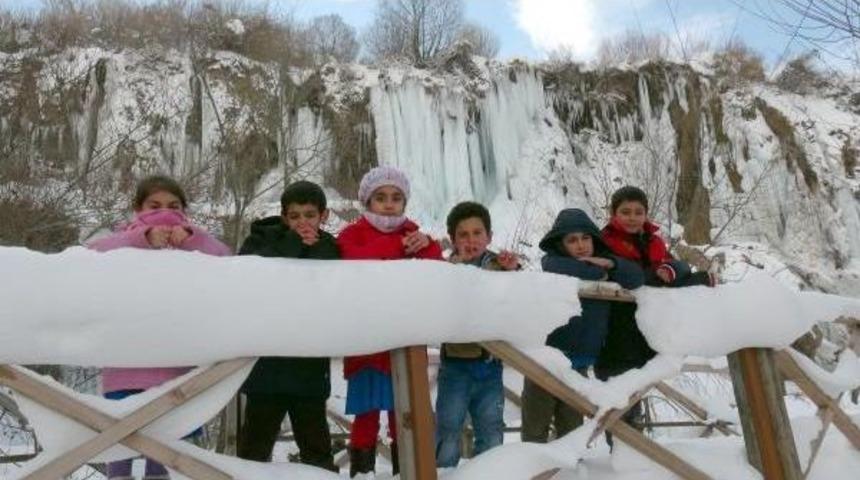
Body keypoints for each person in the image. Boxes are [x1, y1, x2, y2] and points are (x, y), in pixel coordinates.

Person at [87, 175, 230, 480]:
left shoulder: (194, 242)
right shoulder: (122, 239)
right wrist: (142, 238)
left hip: (177, 369)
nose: (164, 211)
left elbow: (227, 258)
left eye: (173, 205)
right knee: (119, 449)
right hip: (125, 366)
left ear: (184, 210)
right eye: (154, 205)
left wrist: (191, 239)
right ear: (138, 208)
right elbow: (90, 255)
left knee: (164, 456)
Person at [337, 166, 443, 477]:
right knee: (366, 415)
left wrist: (429, 245)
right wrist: (399, 247)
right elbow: (355, 260)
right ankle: (362, 473)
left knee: (404, 415)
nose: (388, 204)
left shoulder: (414, 234)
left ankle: (404, 472)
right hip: (367, 342)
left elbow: (436, 271)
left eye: (396, 198)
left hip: (405, 341)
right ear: (367, 201)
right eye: (380, 197)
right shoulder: (352, 234)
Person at [236, 180, 338, 472]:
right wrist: (294, 244)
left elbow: (332, 289)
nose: (303, 222)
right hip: (267, 362)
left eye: (310, 215)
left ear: (323, 216)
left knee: (316, 449)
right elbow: (247, 275)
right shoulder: (261, 240)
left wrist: (313, 249)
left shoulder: (329, 247)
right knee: (254, 450)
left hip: (309, 363)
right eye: (295, 216)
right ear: (284, 217)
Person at [597, 186, 715, 434]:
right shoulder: (602, 243)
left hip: (648, 331)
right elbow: (633, 278)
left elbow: (676, 269)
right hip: (615, 334)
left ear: (646, 214)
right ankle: (623, 453)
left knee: (634, 404)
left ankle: (634, 452)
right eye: (625, 212)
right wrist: (666, 274)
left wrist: (691, 277)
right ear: (613, 214)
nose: (632, 217)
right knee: (619, 407)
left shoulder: (654, 242)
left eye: (638, 212)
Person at [522, 208, 643, 443]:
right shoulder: (555, 263)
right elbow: (553, 265)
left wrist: (610, 263)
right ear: (561, 244)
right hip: (546, 362)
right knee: (535, 428)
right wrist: (600, 271)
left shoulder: (606, 264)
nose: (580, 245)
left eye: (585, 238)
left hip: (579, 365)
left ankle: (570, 465)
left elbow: (636, 276)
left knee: (571, 430)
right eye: (572, 240)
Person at [434, 201, 519, 468]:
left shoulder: (498, 265)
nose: (471, 240)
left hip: (490, 364)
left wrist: (513, 270)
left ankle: (489, 473)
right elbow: (435, 302)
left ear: (489, 236)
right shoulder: (444, 269)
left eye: (477, 233)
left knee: (491, 427)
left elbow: (519, 295)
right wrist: (454, 271)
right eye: (463, 234)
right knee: (448, 427)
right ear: (453, 240)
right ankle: (443, 473)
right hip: (455, 365)